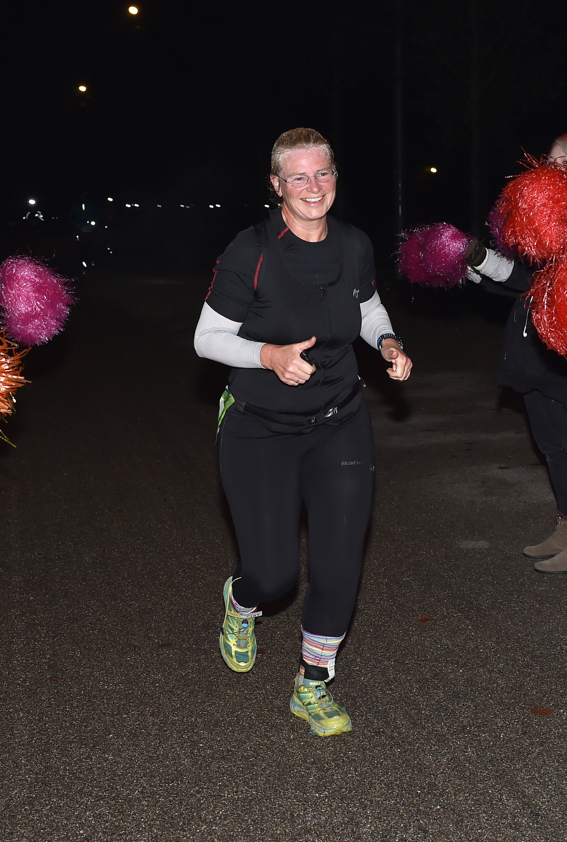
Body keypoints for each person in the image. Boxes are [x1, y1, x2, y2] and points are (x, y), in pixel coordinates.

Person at [193, 128, 413, 737]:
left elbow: (366, 307)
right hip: (258, 426)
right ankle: (242, 602)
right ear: (276, 185)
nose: (313, 187)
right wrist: (268, 356)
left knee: (340, 564)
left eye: (323, 175)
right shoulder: (250, 250)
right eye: (299, 177)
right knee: (275, 577)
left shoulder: (354, 244)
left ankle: (312, 685)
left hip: (339, 418)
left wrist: (387, 341)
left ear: (335, 178)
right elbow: (205, 339)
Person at [471, 132, 567, 575]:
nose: (554, 169)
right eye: (549, 161)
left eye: (565, 162)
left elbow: (543, 282)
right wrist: (473, 269)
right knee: (552, 446)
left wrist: (484, 260)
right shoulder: (543, 218)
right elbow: (526, 285)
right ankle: (566, 526)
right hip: (535, 353)